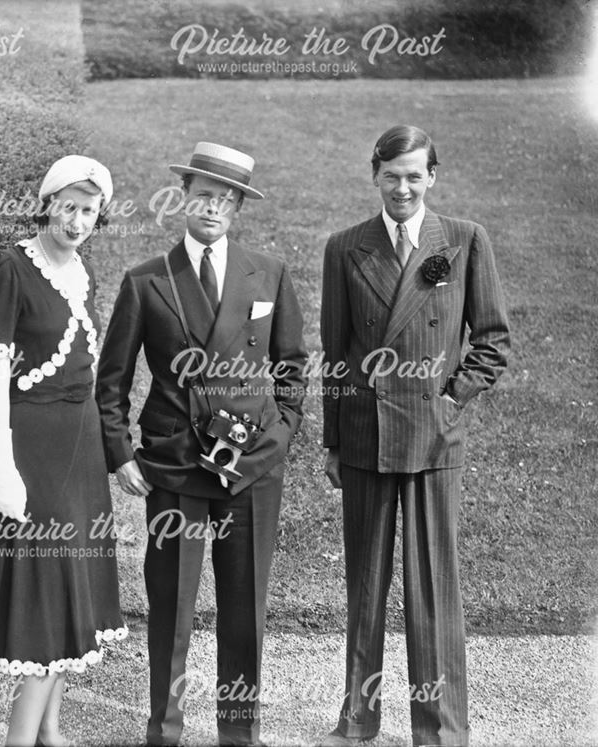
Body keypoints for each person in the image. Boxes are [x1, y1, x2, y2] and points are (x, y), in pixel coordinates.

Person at [96, 142, 307, 745]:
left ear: (238, 207)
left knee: (245, 608)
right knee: (172, 608)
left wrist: (283, 433)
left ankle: (239, 735)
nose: (213, 206)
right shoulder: (146, 282)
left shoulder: (266, 272)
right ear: (184, 198)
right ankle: (163, 731)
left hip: (252, 464)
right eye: (204, 194)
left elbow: (292, 366)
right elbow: (110, 383)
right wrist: (120, 454)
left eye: (226, 198)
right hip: (176, 464)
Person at [318, 125, 510, 747]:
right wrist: (331, 440)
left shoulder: (463, 240)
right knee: (365, 587)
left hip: (434, 439)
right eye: (391, 174)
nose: (402, 187)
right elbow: (336, 353)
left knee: (434, 591)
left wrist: (451, 398)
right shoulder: (345, 247)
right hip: (365, 438)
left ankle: (442, 728)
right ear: (374, 174)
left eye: (414, 175)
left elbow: (492, 341)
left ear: (432, 176)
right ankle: (357, 719)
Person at [0, 155, 127, 747]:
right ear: (47, 204)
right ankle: (19, 741)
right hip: (33, 447)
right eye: (70, 207)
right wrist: (2, 467)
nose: (79, 220)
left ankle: (50, 730)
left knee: (74, 583)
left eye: (90, 211)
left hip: (81, 446)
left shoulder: (81, 269)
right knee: (44, 588)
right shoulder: (6, 269)